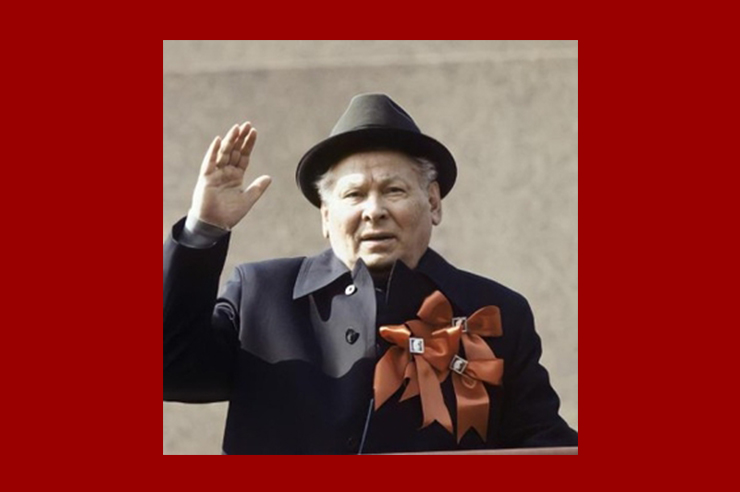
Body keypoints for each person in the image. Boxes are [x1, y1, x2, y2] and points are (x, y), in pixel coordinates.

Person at [163, 93, 578, 454]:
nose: (374, 210)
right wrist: (204, 230)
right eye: (353, 194)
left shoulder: (495, 311)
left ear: (433, 203)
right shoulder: (261, 295)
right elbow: (170, 370)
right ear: (327, 217)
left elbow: (543, 446)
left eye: (394, 191)